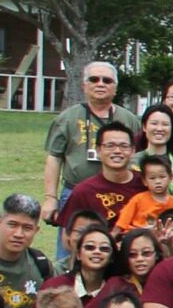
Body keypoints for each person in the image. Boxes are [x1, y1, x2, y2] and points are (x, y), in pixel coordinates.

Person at [43, 61, 143, 231]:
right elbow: (54, 158)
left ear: (115, 88)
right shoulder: (67, 118)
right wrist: (50, 198)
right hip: (76, 193)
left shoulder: (129, 119)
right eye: (94, 79)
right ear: (84, 86)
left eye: (107, 80)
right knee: (71, 243)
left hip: (118, 194)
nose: (100, 84)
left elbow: (139, 155)